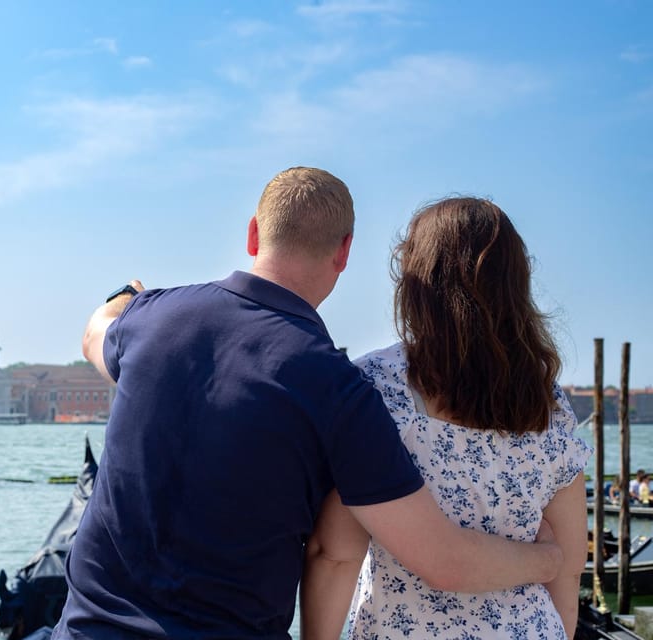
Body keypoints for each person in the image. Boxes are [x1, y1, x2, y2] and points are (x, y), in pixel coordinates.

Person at [53, 169, 563, 640]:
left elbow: (95, 334)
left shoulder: (153, 318)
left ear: (254, 234)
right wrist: (548, 560)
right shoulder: (340, 390)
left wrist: (127, 298)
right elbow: (436, 556)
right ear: (343, 253)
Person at [302, 197, 591, 639]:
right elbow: (568, 569)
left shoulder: (378, 387)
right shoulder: (549, 404)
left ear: (416, 282)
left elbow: (336, 553)